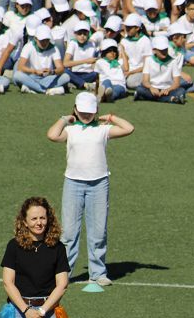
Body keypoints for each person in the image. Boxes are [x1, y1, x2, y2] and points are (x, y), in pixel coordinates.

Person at [47, 93, 134, 288]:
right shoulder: (70, 130)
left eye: (90, 112)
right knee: (69, 233)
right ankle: (64, 274)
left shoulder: (103, 130)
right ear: (75, 110)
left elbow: (129, 128)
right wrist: (63, 119)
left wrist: (111, 117)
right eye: (82, 112)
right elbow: (52, 135)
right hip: (73, 183)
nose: (86, 116)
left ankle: (98, 273)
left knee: (98, 231)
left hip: (99, 184)